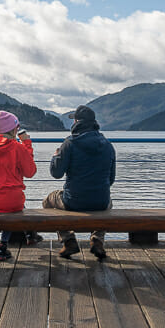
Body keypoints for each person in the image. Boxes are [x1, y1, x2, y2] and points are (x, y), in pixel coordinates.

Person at [43, 105, 116, 260]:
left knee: (48, 200)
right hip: (100, 201)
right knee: (108, 202)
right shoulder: (108, 146)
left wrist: (55, 157)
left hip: (73, 201)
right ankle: (97, 240)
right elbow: (111, 180)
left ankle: (68, 240)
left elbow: (56, 174)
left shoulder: (69, 143)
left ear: (76, 121)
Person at [0, 110, 37, 261]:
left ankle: (27, 235)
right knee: (12, 203)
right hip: (12, 201)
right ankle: (12, 240)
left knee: (8, 201)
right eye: (17, 127)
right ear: (12, 129)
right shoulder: (17, 147)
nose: (18, 130)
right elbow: (30, 172)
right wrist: (27, 144)